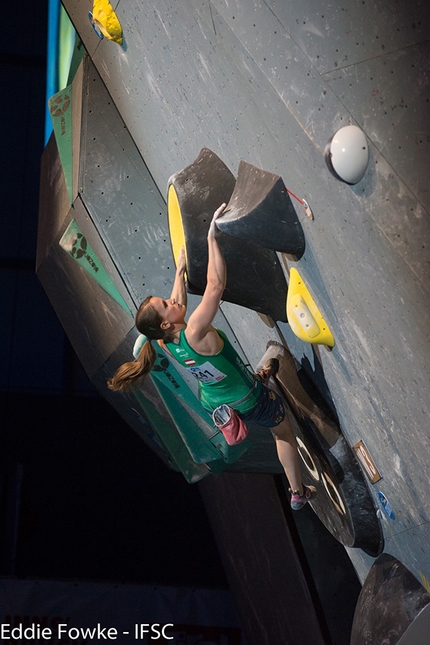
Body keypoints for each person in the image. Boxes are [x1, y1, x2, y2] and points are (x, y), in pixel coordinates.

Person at [108, 204, 316, 510]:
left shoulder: (165, 343)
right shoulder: (192, 331)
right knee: (282, 434)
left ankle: (258, 378)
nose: (172, 298)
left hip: (221, 403)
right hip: (249, 401)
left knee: (243, 380)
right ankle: (298, 493)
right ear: (166, 323)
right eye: (165, 303)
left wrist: (179, 270)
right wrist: (212, 238)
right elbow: (215, 287)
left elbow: (178, 300)